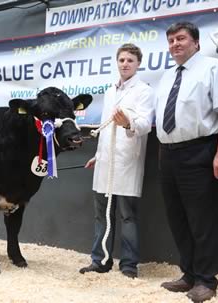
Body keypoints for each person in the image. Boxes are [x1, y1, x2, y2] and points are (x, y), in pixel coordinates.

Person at [155, 22, 218, 302]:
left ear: (196, 43)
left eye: (181, 39)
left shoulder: (213, 68)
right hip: (168, 154)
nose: (175, 44)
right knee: (177, 218)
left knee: (203, 219)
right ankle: (188, 274)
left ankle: (206, 280)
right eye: (171, 40)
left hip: (201, 152)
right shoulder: (167, 76)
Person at [79, 43, 155, 278]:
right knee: (101, 215)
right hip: (105, 162)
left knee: (127, 215)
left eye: (130, 60)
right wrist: (98, 155)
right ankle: (99, 261)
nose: (125, 64)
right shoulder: (111, 91)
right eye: (122, 60)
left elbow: (144, 126)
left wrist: (127, 123)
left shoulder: (144, 91)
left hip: (127, 162)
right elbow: (105, 129)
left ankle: (129, 265)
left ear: (138, 63)